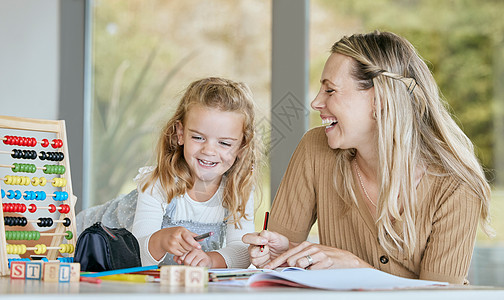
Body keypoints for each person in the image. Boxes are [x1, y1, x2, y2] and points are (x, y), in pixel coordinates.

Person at [242, 31, 492, 284]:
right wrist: (285, 252)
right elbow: (277, 276)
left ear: (379, 100)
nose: (316, 102)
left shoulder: (456, 187)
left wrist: (356, 269)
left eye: (330, 90)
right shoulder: (315, 148)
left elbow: (441, 297)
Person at [77, 77, 260, 269]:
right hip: (87, 236)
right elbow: (136, 255)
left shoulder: (239, 189)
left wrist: (210, 260)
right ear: (180, 134)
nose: (209, 150)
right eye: (198, 137)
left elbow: (241, 250)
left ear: (242, 146)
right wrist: (162, 241)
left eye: (224, 143)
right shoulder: (159, 181)